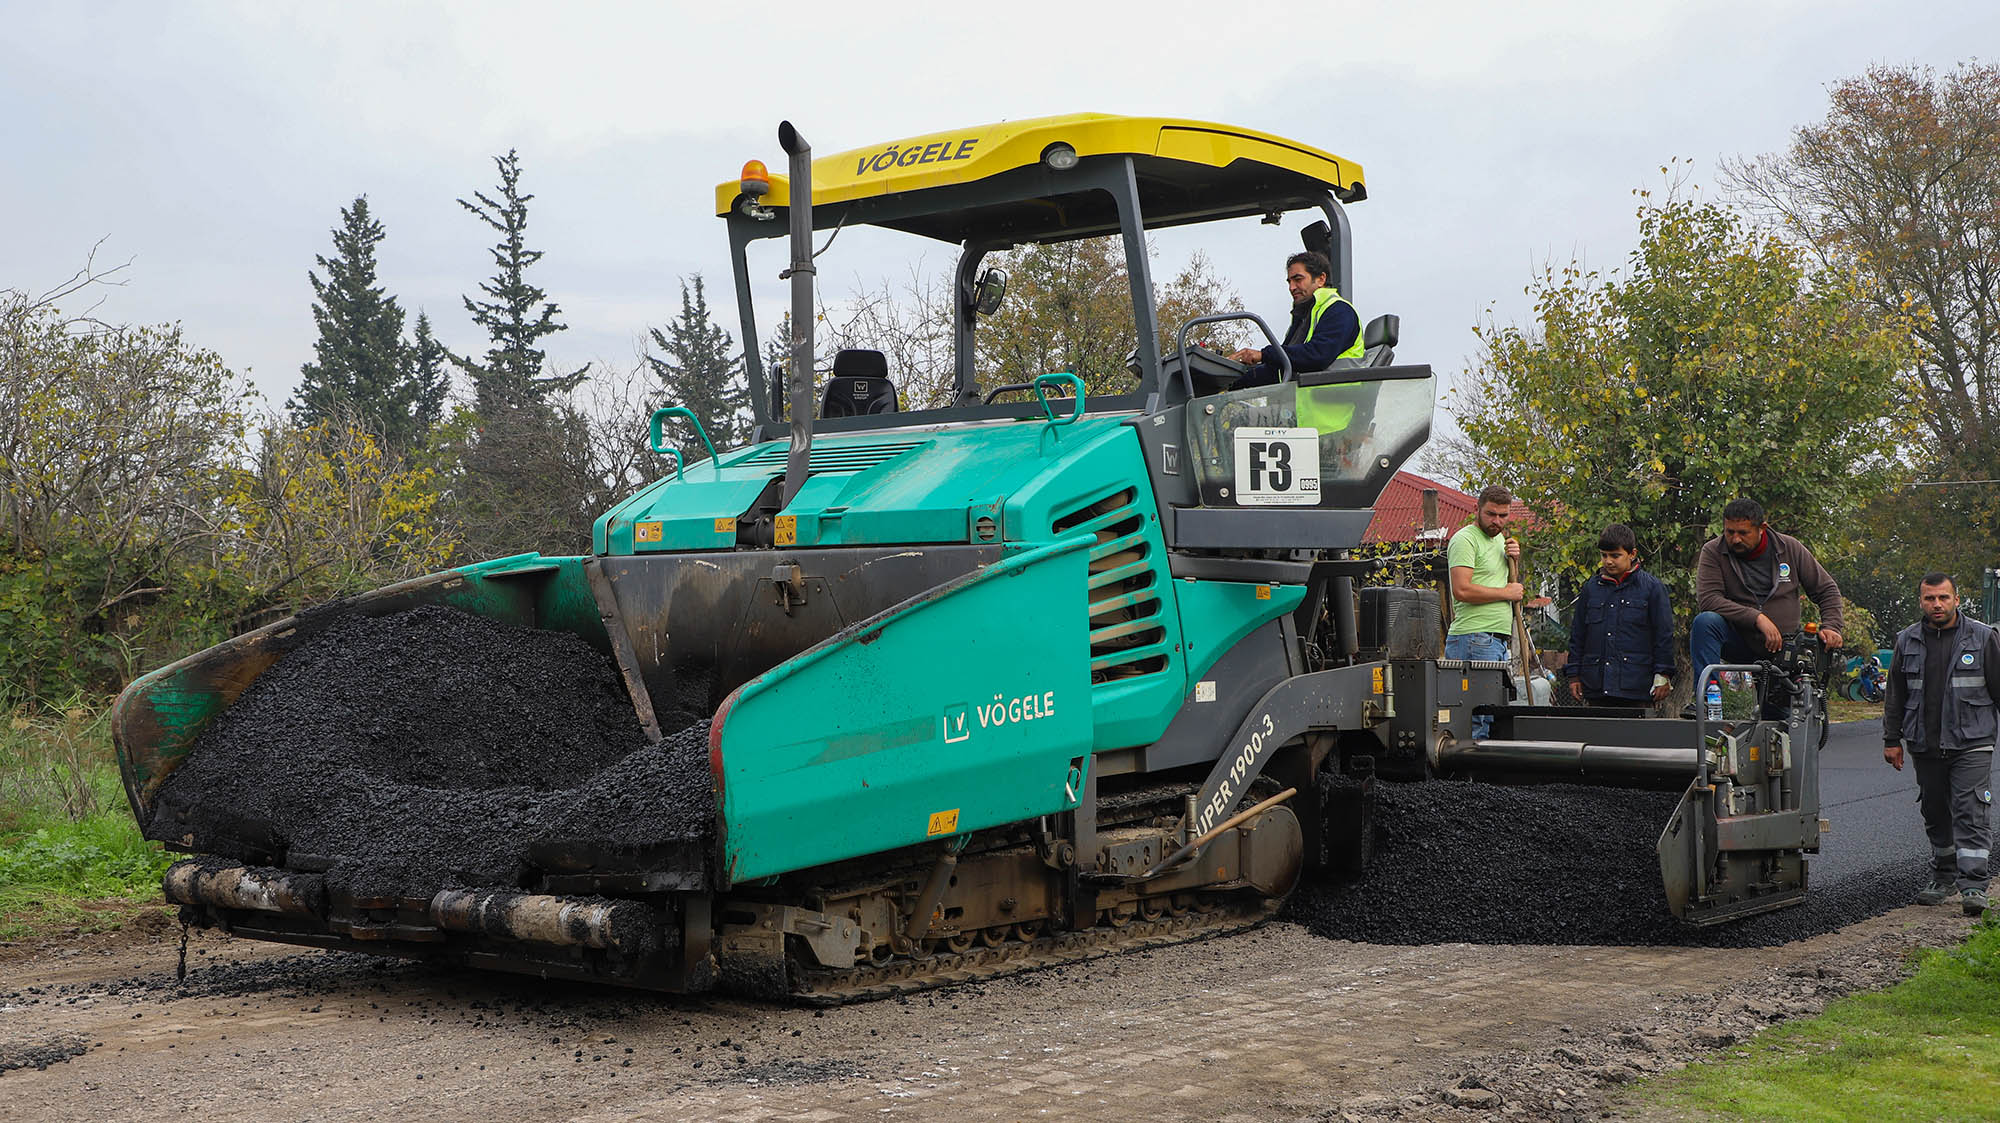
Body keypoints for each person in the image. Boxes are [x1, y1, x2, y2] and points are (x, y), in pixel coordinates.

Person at [1883, 573, 2000, 916]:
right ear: (1920, 601)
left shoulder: (1982, 637)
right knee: (1935, 811)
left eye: (1943, 598)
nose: (1937, 604)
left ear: (1956, 599)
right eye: (1930, 599)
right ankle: (1944, 876)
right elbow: (1896, 696)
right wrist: (1892, 739)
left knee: (1970, 810)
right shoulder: (1907, 640)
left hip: (1972, 740)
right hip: (1925, 743)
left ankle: (1974, 885)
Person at [1690, 498, 1845, 715]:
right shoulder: (1713, 551)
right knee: (1705, 622)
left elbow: (1826, 590)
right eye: (1729, 532)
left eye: (1743, 533)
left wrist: (1832, 626)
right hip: (1739, 641)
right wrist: (1757, 618)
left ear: (1762, 528)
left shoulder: (1790, 548)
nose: (1735, 539)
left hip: (1782, 652)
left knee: (1780, 723)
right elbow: (1708, 599)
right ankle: (1708, 700)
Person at [1565, 524, 1673, 709]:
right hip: (1596, 687)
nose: (1608, 561)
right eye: (1604, 555)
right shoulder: (1590, 589)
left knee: (1636, 738)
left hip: (1637, 686)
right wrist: (1574, 674)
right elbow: (1578, 635)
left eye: (1615, 555)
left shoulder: (1652, 588)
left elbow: (1663, 634)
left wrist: (1663, 674)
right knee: (1596, 738)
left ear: (1632, 554)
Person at [1445, 486, 1524, 738]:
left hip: (1497, 640)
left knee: (1491, 716)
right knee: (1474, 718)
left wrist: (1515, 561)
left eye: (1503, 516)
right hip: (1474, 637)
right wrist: (1507, 593)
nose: (1497, 521)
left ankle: (1480, 776)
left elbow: (1509, 586)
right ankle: (1465, 776)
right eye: (1491, 514)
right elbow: (1462, 590)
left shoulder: (1501, 541)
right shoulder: (1465, 539)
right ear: (1476, 509)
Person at [1229, 250, 1362, 387]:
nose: (1292, 287)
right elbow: (1282, 369)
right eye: (1289, 282)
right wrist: (1231, 381)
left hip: (1336, 405)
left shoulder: (1340, 311)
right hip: (1303, 405)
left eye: (1298, 279)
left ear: (1321, 279)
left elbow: (1317, 355)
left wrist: (1264, 354)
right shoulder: (1303, 319)